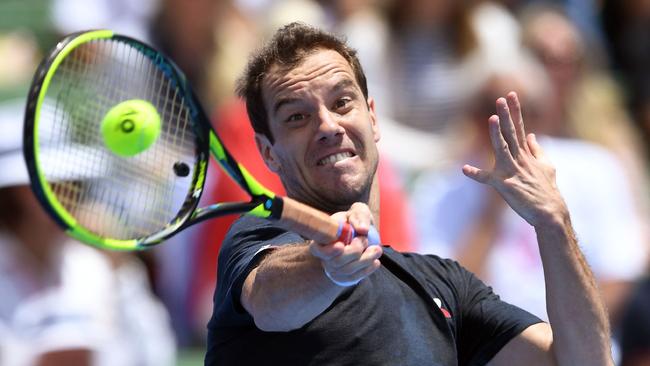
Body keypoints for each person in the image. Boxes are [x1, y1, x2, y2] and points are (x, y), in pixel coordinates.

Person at [206, 22, 612, 365]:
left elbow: (585, 360)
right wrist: (325, 263)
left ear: (373, 117)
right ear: (267, 153)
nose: (327, 125)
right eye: (297, 117)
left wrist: (554, 223)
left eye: (342, 102)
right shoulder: (257, 237)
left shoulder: (445, 287)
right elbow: (268, 298)